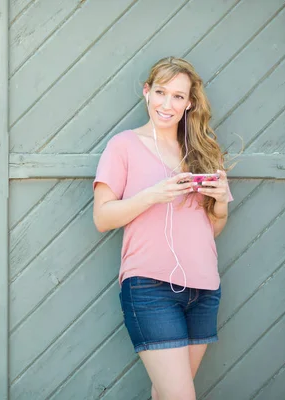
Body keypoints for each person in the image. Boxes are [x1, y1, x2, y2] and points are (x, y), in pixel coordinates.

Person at [92, 56, 232, 400]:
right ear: (146, 92)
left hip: (203, 290)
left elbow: (212, 229)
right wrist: (153, 195)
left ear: (190, 103)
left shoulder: (202, 152)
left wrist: (222, 202)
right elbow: (102, 218)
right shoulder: (122, 145)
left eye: (178, 97)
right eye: (160, 92)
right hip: (150, 289)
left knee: (166, 395)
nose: (167, 104)